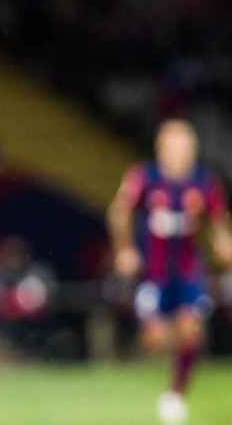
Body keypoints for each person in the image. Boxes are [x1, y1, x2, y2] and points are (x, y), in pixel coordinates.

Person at [108, 119, 232, 425]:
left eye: (186, 146)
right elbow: (119, 211)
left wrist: (224, 244)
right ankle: (160, 348)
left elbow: (218, 225)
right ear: (161, 148)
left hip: (190, 271)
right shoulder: (144, 178)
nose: (181, 152)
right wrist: (124, 249)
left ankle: (176, 394)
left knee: (192, 330)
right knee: (155, 340)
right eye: (175, 146)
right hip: (154, 273)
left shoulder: (206, 182)